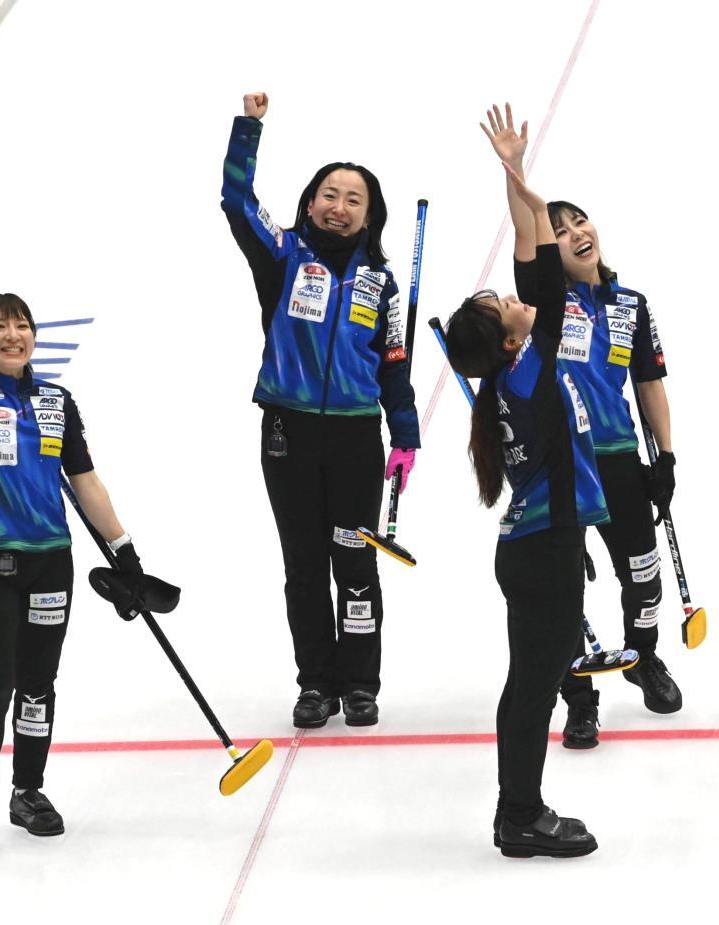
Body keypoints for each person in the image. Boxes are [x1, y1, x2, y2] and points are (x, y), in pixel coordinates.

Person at [0, 234, 160, 857]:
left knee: (39, 684)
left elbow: (86, 481)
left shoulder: (56, 402)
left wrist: (123, 549)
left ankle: (29, 791)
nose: (13, 335)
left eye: (22, 325)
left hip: (53, 565)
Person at [480, 105, 681, 751]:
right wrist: (514, 174)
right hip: (566, 463)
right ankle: (580, 697)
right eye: (560, 229)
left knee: (642, 573)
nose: (573, 233)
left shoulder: (631, 304)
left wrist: (667, 456)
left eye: (578, 222)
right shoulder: (544, 303)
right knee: (564, 589)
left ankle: (643, 654)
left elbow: (648, 380)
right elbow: (524, 230)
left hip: (621, 456)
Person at [221, 93, 421, 729]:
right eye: (329, 195)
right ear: (310, 203)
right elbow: (235, 199)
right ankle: (316, 684)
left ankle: (360, 683)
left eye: (353, 199)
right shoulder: (282, 255)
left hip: (357, 440)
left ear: (369, 216)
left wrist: (406, 433)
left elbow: (393, 365)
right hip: (288, 431)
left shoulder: (381, 285)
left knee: (354, 561)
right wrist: (249, 128)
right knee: (304, 565)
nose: (339, 207)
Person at [444, 120, 604, 857]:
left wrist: (516, 176)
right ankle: (521, 816)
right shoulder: (529, 371)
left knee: (529, 684)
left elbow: (532, 261)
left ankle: (519, 810)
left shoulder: (509, 379)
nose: (517, 298)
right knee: (533, 690)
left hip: (538, 547)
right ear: (509, 339)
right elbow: (539, 265)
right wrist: (523, 191)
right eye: (504, 306)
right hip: (542, 550)